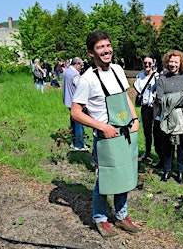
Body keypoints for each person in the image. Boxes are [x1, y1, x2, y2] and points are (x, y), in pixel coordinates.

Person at [70, 30, 141, 238]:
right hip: (106, 137)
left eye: (107, 45)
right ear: (91, 53)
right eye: (100, 47)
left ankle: (121, 216)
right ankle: (101, 218)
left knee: (124, 175)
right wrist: (102, 127)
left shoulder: (118, 69)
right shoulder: (87, 79)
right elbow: (75, 112)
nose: (106, 50)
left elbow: (125, 97)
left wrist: (134, 119)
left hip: (125, 132)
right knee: (105, 179)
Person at [156, 50, 183, 184]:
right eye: (171, 61)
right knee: (166, 145)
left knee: (181, 145)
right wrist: (179, 95)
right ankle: (167, 170)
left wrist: (169, 99)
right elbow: (159, 98)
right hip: (166, 117)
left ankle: (180, 172)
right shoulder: (163, 79)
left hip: (182, 117)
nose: (173, 64)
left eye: (176, 62)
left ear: (181, 63)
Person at [133, 55, 160, 162]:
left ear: (153, 63)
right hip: (145, 107)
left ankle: (159, 154)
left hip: (155, 107)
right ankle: (147, 152)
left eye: (149, 63)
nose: (147, 65)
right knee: (147, 131)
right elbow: (137, 88)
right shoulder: (140, 76)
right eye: (145, 63)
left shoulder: (157, 76)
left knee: (157, 131)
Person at [63, 57, 87, 151]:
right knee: (79, 123)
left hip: (68, 101)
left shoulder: (66, 72)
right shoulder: (75, 75)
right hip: (77, 102)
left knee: (73, 123)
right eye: (81, 66)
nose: (81, 68)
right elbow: (81, 88)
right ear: (76, 65)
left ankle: (73, 142)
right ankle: (79, 144)